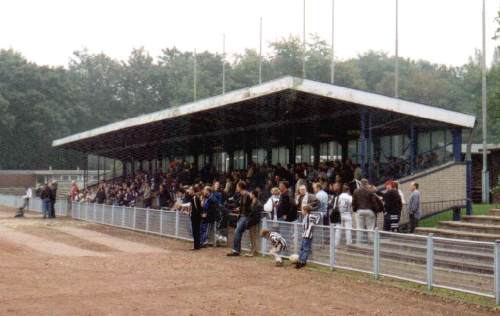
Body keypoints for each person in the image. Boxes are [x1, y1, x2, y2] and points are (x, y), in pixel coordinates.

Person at [227, 181, 252, 256]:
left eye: (237, 186)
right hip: (241, 216)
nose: (236, 188)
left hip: (245, 216)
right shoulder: (241, 195)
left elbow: (250, 206)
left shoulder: (247, 195)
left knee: (237, 232)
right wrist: (238, 209)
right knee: (238, 232)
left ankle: (236, 250)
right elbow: (243, 206)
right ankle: (237, 250)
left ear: (240, 187)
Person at [296, 205, 320, 269]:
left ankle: (302, 262)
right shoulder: (306, 216)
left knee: (305, 249)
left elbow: (318, 217)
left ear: (306, 211)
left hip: (308, 235)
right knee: (302, 248)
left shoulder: (310, 216)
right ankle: (299, 260)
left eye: (303, 210)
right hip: (304, 234)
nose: (302, 211)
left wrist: (313, 223)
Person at [245, 190, 263, 257]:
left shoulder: (257, 203)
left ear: (253, 195)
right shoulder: (253, 202)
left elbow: (254, 213)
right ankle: (253, 250)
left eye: (251, 194)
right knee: (252, 237)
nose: (250, 195)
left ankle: (254, 251)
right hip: (252, 222)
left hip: (254, 222)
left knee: (254, 237)